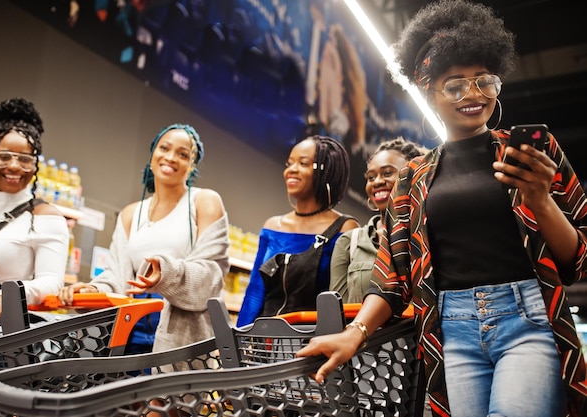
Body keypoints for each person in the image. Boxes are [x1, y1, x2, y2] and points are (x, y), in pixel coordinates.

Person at [297, 1, 587, 416]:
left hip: (525, 321)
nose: (473, 95)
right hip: (451, 331)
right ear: (427, 90)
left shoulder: (532, 155)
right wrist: (355, 333)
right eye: (455, 85)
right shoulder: (412, 178)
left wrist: (540, 200)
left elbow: (578, 259)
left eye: (485, 81)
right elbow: (393, 278)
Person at [58, 124, 230, 356]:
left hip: (182, 335)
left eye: (183, 154)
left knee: (167, 392)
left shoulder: (204, 201)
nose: (171, 157)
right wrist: (93, 289)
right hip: (131, 327)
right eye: (164, 148)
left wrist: (166, 274)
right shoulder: (131, 213)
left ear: (192, 166)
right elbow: (117, 276)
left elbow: (211, 276)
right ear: (152, 156)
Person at [0, 97, 69, 318]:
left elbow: (52, 281)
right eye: (4, 157)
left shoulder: (46, 217)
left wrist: (12, 293)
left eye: (24, 159)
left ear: (35, 164)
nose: (13, 165)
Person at [236, 135, 359, 327]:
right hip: (265, 342)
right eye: (289, 163)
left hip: (315, 340)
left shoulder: (345, 228)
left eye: (303, 163)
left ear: (325, 170)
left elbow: (343, 298)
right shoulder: (273, 226)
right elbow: (255, 290)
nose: (291, 170)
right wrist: (240, 338)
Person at [330, 137, 426, 303]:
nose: (377, 182)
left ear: (414, 177)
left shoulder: (430, 233)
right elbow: (339, 311)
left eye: (387, 173)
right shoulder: (349, 242)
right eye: (371, 177)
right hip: (364, 329)